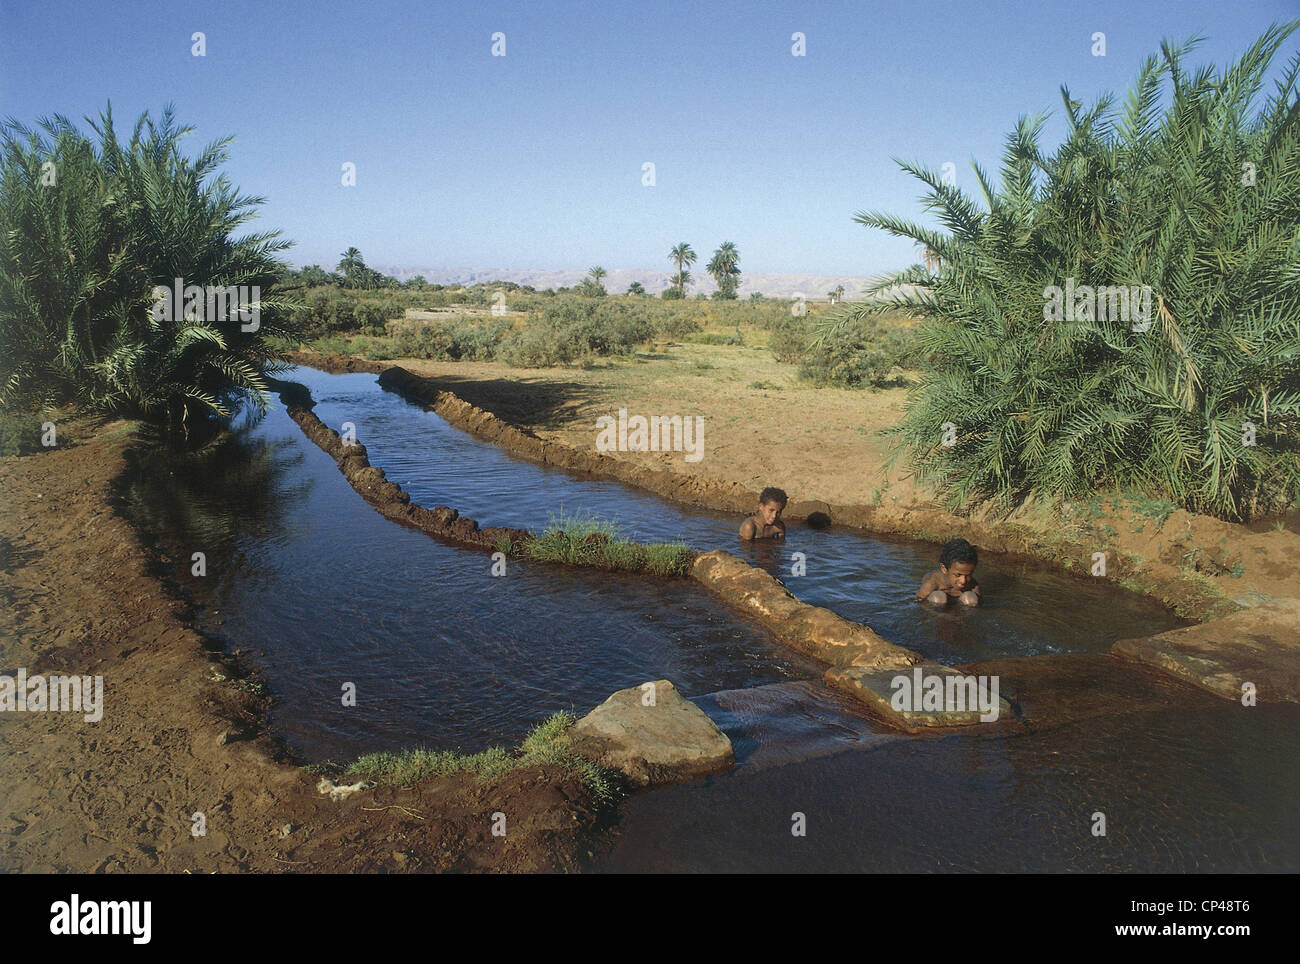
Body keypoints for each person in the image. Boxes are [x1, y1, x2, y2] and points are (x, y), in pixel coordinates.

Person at [916, 537, 981, 606]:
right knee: (938, 597)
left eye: (968, 575)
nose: (963, 581)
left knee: (971, 598)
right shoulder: (932, 583)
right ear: (944, 569)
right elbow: (918, 602)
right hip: (937, 605)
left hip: (959, 605)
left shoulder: (973, 586)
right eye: (958, 575)